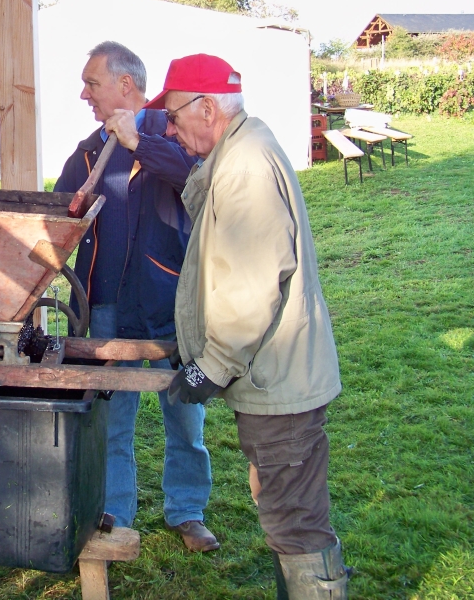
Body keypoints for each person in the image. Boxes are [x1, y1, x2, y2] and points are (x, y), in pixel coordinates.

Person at [113, 52, 348, 598]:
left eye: (173, 117)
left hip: (278, 381)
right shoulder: (238, 152)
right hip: (273, 376)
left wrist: (209, 368)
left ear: (208, 108)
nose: (168, 128)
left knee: (294, 521)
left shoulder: (244, 166)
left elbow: (253, 283)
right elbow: (203, 191)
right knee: (282, 509)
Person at [55, 41, 219, 552]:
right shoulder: (88, 150)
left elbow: (193, 177)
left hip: (171, 305)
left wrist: (136, 142)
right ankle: (115, 511)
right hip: (106, 308)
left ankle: (187, 510)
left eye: (92, 82)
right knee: (112, 419)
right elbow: (57, 212)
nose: (84, 93)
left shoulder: (173, 136)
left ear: (126, 85)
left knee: (186, 416)